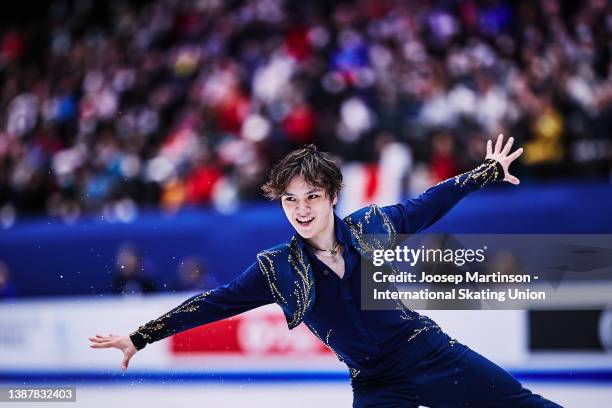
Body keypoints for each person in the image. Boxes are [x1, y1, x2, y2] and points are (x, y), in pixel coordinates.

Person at [90, 135, 561, 407]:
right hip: (375, 384)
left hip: (429, 353)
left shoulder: (373, 225)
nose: (301, 208)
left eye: (311, 196)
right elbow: (212, 303)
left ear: (332, 196)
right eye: (290, 200)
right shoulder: (276, 269)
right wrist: (142, 335)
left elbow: (429, 204)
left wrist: (485, 171)